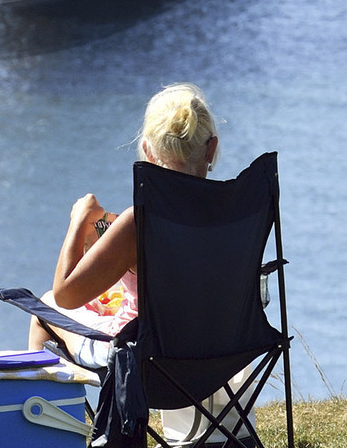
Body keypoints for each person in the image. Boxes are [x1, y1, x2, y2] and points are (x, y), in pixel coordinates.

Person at [28, 82, 218, 368]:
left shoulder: (139, 224)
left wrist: (79, 219)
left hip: (146, 360)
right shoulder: (235, 210)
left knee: (44, 307)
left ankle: (49, 412)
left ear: (148, 152)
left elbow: (65, 295)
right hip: (217, 347)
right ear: (211, 148)